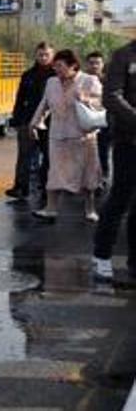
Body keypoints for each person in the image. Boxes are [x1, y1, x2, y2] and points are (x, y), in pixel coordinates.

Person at [29, 49, 103, 223]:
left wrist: (86, 100)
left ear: (73, 66)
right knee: (55, 172)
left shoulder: (89, 80)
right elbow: (44, 104)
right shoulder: (51, 82)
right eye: (55, 66)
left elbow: (102, 103)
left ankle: (90, 209)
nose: (56, 69)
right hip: (58, 135)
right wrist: (34, 123)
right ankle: (50, 209)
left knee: (87, 174)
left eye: (60, 66)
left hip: (83, 137)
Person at [93, 37, 136, 281]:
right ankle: (101, 256)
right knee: (121, 198)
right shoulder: (124, 55)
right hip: (129, 140)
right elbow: (111, 96)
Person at [6, 42, 55, 205]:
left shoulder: (57, 76)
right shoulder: (28, 75)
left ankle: (47, 189)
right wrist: (16, 118)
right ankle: (21, 187)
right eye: (40, 54)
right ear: (36, 55)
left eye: (46, 55)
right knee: (24, 156)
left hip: (50, 122)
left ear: (52, 55)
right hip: (27, 120)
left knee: (49, 157)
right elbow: (20, 98)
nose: (43, 57)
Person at [85, 51, 111, 187]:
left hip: (105, 121)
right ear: (86, 64)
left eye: (98, 63)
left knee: (103, 150)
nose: (95, 66)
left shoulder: (110, 81)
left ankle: (103, 177)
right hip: (84, 123)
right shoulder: (81, 80)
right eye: (91, 63)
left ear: (103, 64)